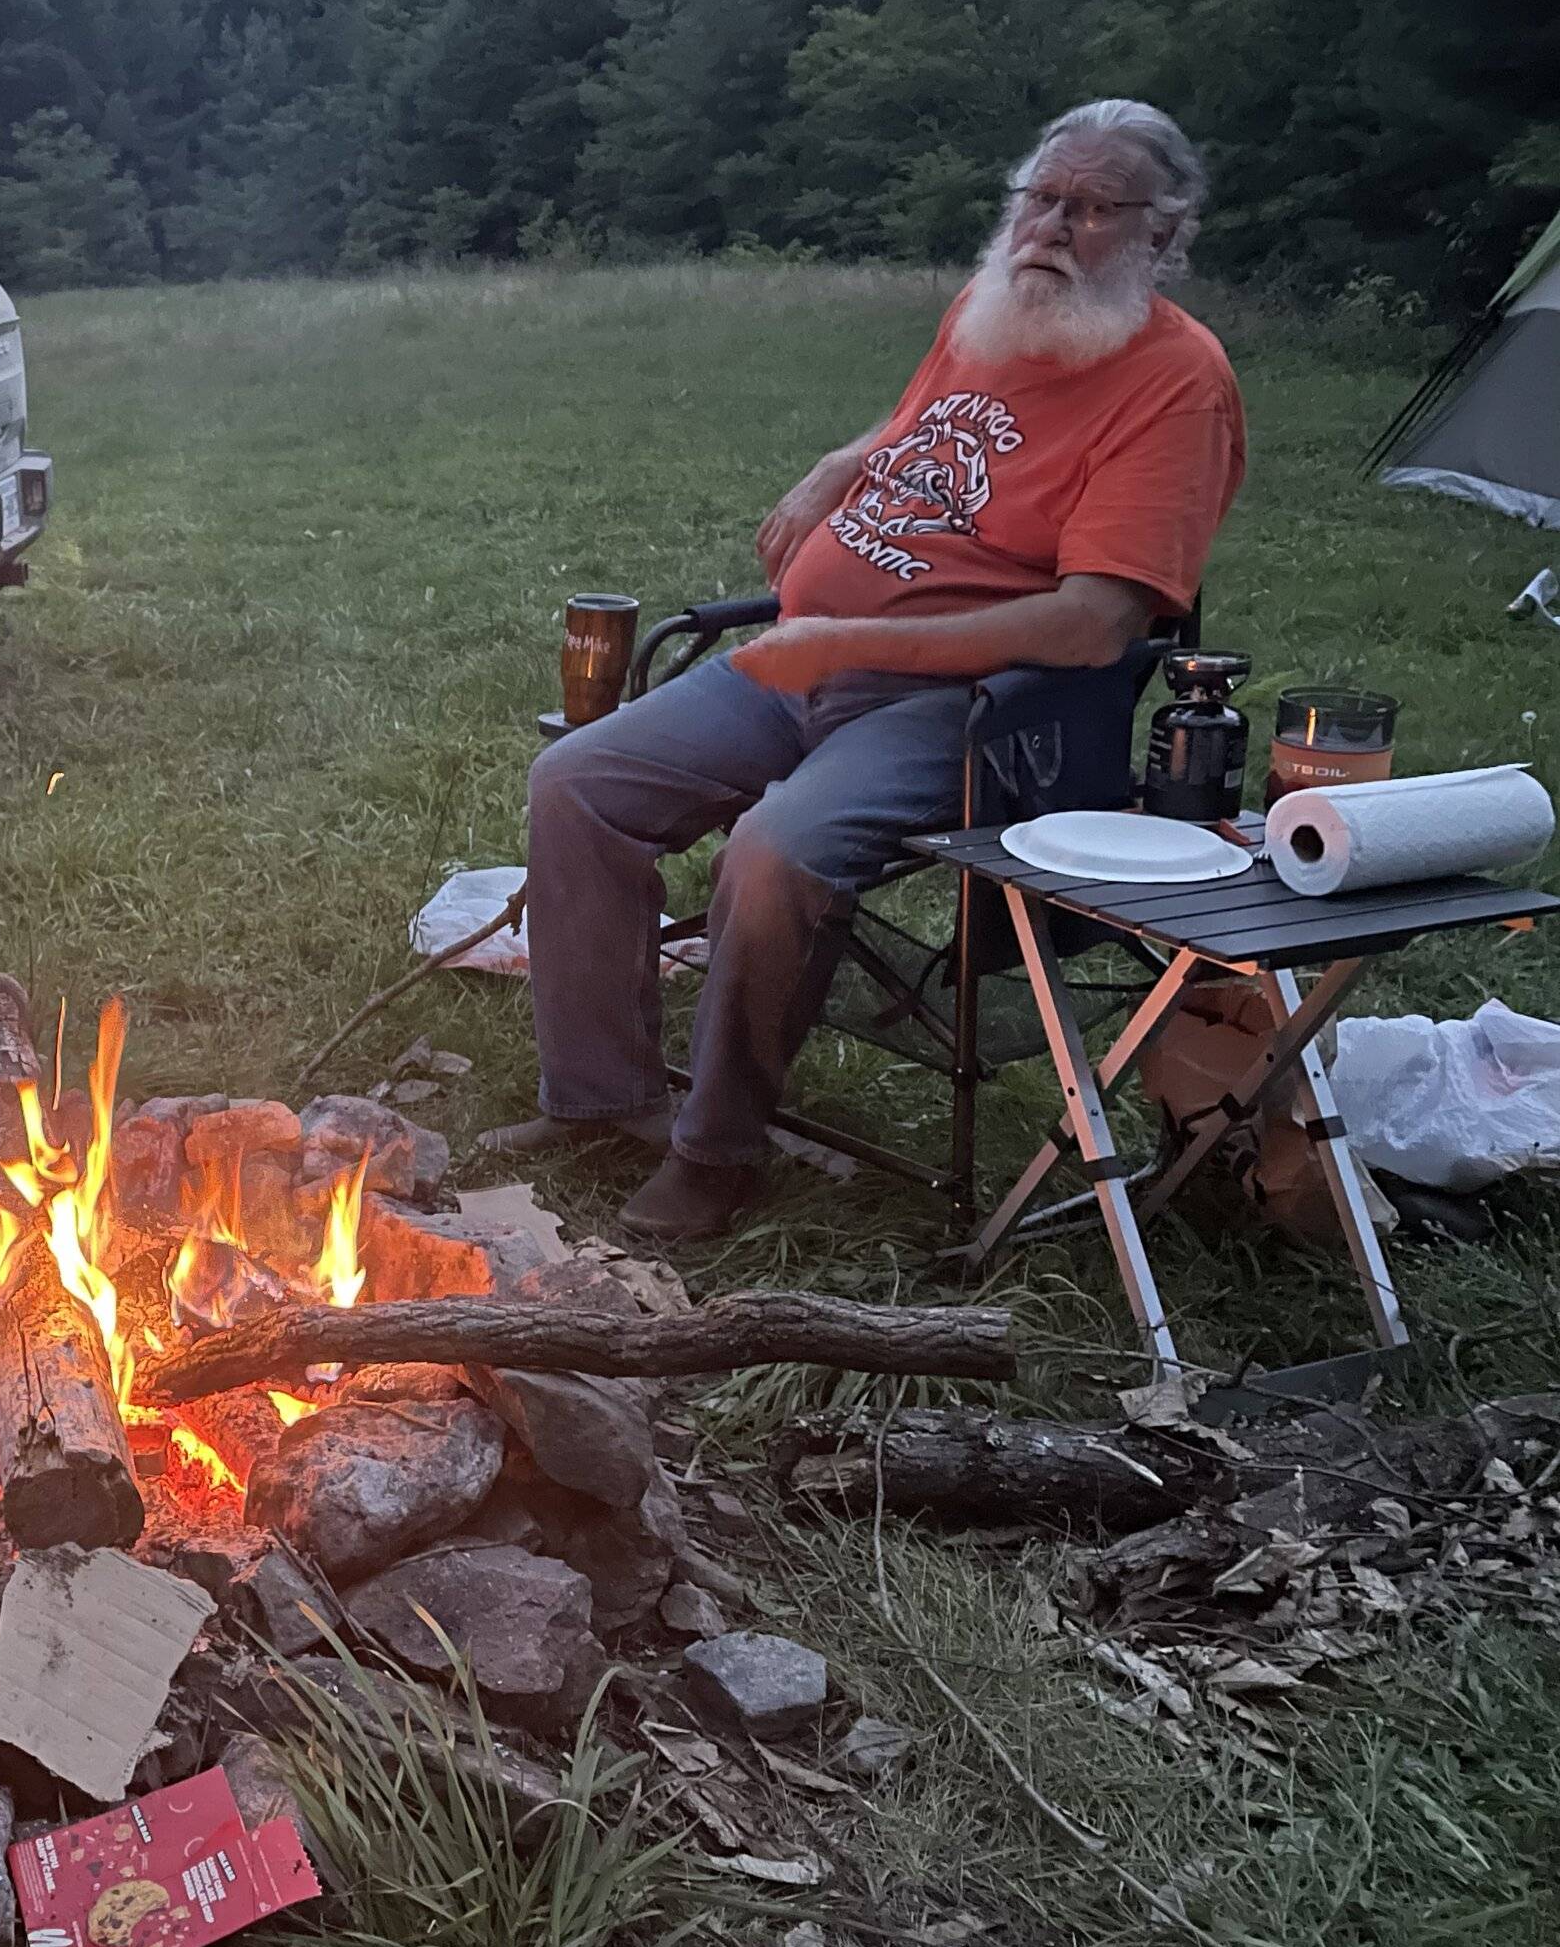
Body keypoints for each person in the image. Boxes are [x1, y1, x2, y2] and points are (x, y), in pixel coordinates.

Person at [494, 98, 1247, 1243]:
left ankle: (717, 1151)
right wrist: (839, 463)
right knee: (578, 783)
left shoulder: (1176, 384)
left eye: (1096, 207)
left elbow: (1095, 625)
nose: (1054, 225)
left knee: (775, 852)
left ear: (1166, 231)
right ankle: (603, 1098)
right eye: (1042, 197)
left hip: (970, 709)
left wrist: (846, 642)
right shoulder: (998, 307)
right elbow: (922, 428)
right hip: (807, 661)